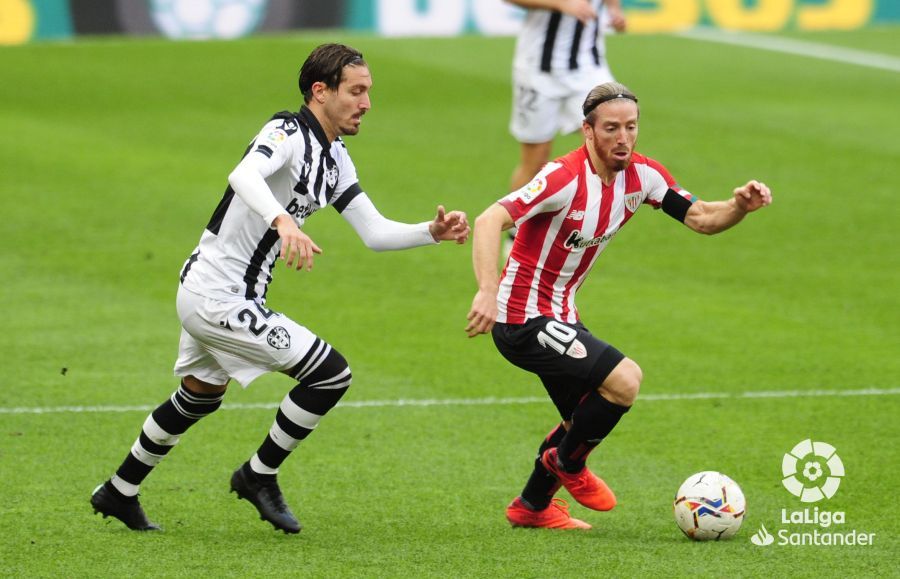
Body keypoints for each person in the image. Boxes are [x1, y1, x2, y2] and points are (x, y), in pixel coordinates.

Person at [90, 43, 470, 534]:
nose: (366, 103)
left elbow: (374, 232)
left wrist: (429, 232)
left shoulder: (335, 159)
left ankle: (119, 490)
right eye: (356, 91)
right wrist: (283, 219)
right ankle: (257, 476)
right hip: (216, 295)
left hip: (222, 293)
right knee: (330, 375)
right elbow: (243, 173)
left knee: (201, 395)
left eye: (368, 91)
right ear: (320, 91)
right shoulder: (286, 131)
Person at [465, 81, 771, 529]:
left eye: (631, 127)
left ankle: (531, 506)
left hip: (562, 315)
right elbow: (490, 218)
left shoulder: (643, 176)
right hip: (521, 317)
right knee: (624, 380)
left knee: (584, 417)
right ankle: (564, 465)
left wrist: (739, 207)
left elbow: (703, 218)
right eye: (611, 128)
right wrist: (487, 291)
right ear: (587, 131)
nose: (623, 138)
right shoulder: (562, 177)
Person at [506, 0, 626, 194]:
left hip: (589, 68)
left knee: (607, 150)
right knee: (535, 161)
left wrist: (614, 10)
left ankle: (592, 219)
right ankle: (515, 222)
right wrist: (561, 4)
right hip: (538, 70)